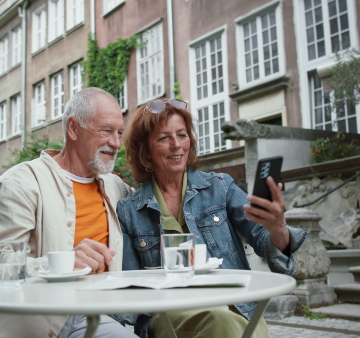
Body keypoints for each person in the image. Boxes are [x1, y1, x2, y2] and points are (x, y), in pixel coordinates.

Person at [117, 98, 308, 338]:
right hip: (171, 312)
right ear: (146, 151)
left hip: (235, 305)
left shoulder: (220, 187)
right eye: (164, 138)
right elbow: (131, 289)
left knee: (231, 322)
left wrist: (278, 228)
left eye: (182, 135)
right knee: (224, 324)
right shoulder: (129, 211)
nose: (176, 145)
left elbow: (263, 239)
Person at [0, 87, 137, 338]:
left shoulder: (117, 188)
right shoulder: (22, 184)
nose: (115, 143)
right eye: (106, 131)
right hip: (33, 320)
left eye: (119, 133)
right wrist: (62, 264)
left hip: (97, 317)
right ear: (73, 128)